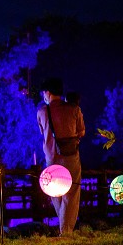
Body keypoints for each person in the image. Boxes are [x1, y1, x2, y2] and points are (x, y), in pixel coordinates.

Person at [37, 77, 86, 236]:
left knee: (55, 193)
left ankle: (63, 229)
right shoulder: (73, 109)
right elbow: (81, 132)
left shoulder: (42, 111)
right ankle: (66, 231)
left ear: (48, 93)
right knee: (71, 193)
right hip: (70, 156)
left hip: (51, 158)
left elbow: (42, 132)